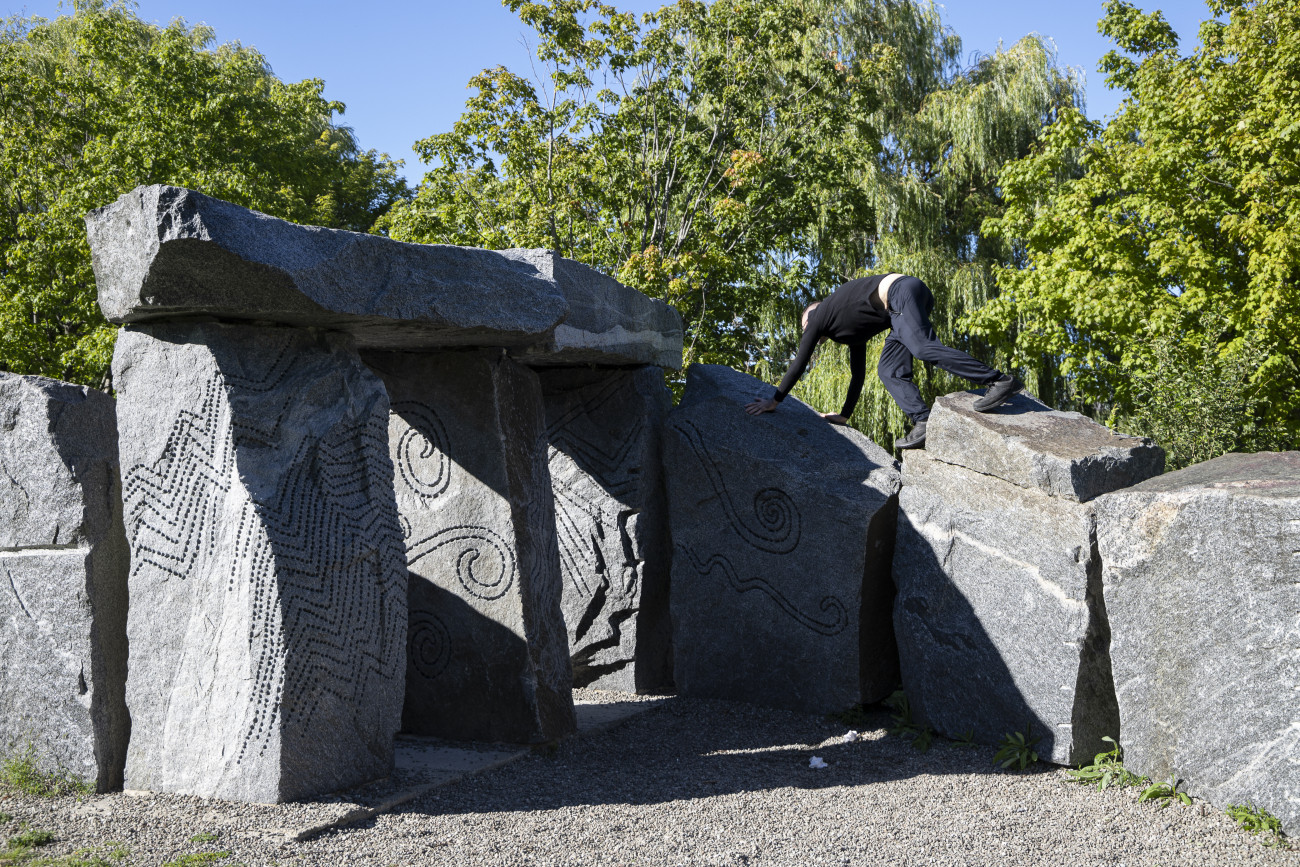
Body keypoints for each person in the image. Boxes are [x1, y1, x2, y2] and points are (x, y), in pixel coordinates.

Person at [744, 273, 1021, 448]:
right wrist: (845, 415)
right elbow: (857, 375)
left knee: (923, 348)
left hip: (901, 291)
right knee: (888, 370)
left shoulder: (820, 315)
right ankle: (923, 420)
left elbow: (799, 363)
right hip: (899, 310)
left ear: (813, 315)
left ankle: (999, 380)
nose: (807, 330)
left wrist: (774, 400)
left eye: (806, 324)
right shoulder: (847, 331)